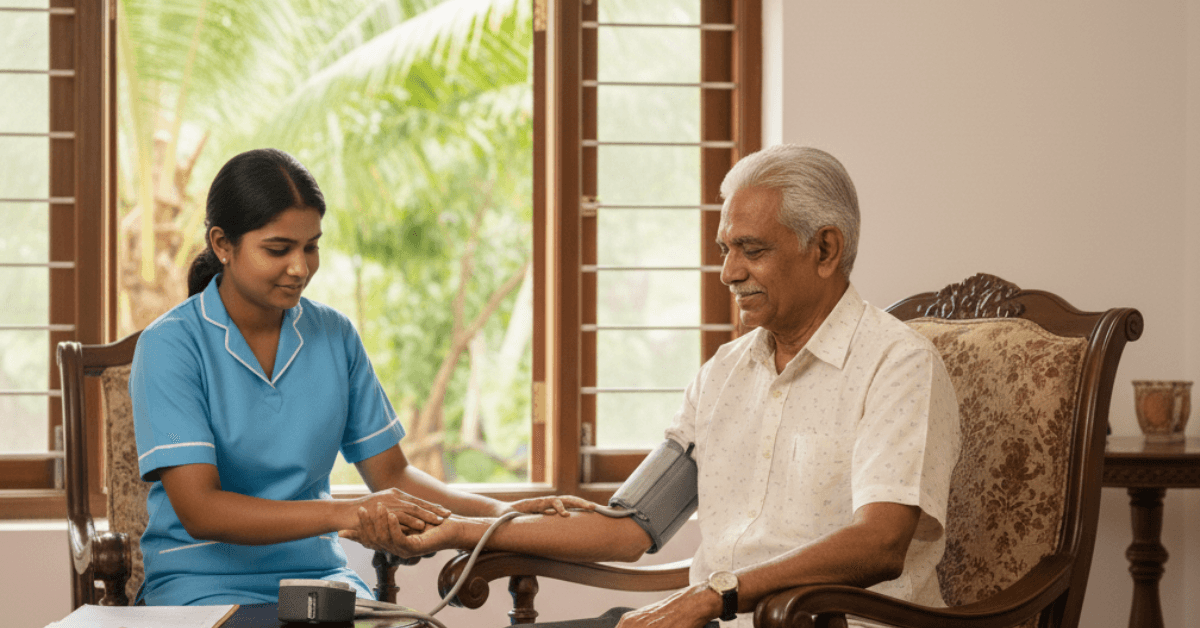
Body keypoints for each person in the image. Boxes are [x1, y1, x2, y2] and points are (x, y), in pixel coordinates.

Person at [344, 145, 962, 628]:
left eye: (751, 250)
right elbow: (629, 527)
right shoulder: (723, 375)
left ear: (826, 248)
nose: (728, 272)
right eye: (724, 249)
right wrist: (462, 527)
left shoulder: (898, 365)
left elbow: (880, 544)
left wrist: (713, 596)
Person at [131, 148, 592, 606]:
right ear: (222, 244)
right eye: (278, 249)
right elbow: (201, 510)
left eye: (311, 247)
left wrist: (499, 514)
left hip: (319, 582)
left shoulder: (333, 335)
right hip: (199, 584)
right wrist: (347, 512)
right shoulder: (170, 346)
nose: (300, 268)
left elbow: (393, 473)